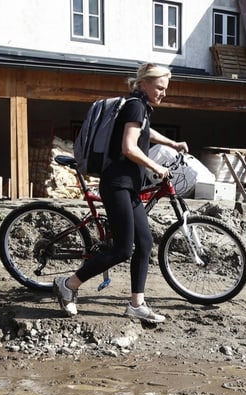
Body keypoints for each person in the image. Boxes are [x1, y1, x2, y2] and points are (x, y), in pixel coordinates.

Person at [53, 63, 189, 324]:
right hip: (117, 184)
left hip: (129, 187)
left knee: (145, 242)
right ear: (144, 84)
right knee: (122, 249)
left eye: (165, 89)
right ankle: (68, 284)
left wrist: (171, 143)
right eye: (160, 88)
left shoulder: (139, 107)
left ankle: (136, 304)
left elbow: (143, 133)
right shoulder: (135, 106)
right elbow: (129, 147)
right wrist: (155, 166)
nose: (163, 93)